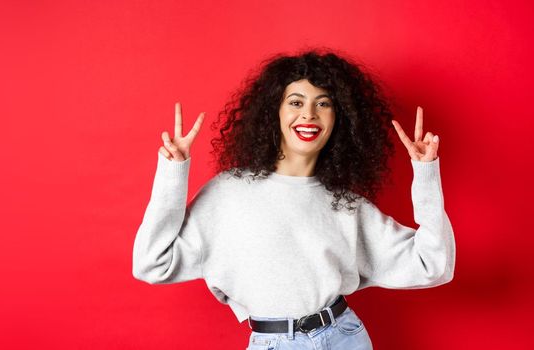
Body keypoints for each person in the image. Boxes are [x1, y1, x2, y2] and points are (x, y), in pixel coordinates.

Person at [131, 49, 456, 350]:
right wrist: (173, 173)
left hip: (345, 337)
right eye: (296, 102)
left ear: (339, 118)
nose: (309, 114)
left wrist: (425, 173)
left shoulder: (345, 203)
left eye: (324, 103)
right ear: (274, 112)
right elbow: (152, 264)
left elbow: (433, 266)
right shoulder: (228, 192)